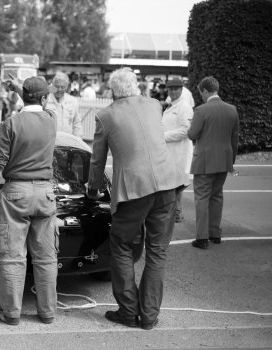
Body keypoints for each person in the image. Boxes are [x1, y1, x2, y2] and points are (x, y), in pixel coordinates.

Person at [86, 68, 186, 330]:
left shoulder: (105, 115)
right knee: (158, 252)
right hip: (167, 184)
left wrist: (93, 190)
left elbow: (97, 160)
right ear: (136, 86)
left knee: (120, 245)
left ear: (112, 91)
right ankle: (149, 316)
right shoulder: (154, 105)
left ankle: (128, 311)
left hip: (133, 189)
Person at [0, 77, 57, 326]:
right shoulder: (52, 120)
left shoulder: (11, 123)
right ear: (42, 98)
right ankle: (47, 312)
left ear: (26, 97)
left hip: (16, 192)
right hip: (45, 193)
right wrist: (21, 89)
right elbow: (41, 103)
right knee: (46, 256)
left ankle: (10, 313)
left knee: (11, 256)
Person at [187, 76, 239, 249]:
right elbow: (234, 139)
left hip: (204, 161)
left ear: (206, 91)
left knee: (201, 198)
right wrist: (230, 161)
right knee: (217, 196)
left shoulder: (201, 110)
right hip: (224, 160)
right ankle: (215, 233)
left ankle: (202, 238)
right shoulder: (232, 110)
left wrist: (191, 126)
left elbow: (192, 134)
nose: (201, 95)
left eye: (201, 92)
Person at [162, 78, 194, 223]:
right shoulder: (171, 105)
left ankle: (175, 214)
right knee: (173, 185)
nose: (173, 91)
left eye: (176, 89)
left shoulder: (184, 106)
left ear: (182, 90)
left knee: (176, 185)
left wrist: (163, 137)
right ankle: (175, 213)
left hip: (179, 152)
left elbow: (186, 131)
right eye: (171, 89)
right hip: (170, 152)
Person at [46, 72, 82, 138]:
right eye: (57, 86)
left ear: (67, 87)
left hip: (68, 142)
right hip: (50, 143)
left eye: (62, 87)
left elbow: (77, 124)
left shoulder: (73, 101)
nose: (59, 89)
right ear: (52, 86)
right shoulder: (45, 101)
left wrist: (78, 141)